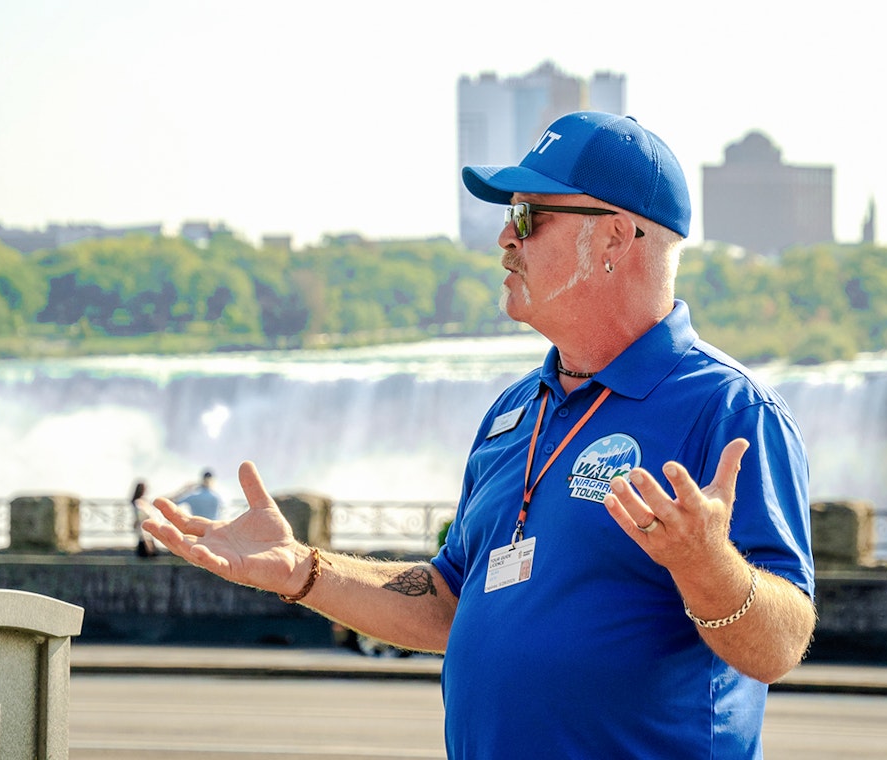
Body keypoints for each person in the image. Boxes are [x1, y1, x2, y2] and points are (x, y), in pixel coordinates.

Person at [144, 110, 816, 758]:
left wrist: (707, 565)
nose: (505, 238)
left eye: (527, 215)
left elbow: (780, 646)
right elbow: (448, 599)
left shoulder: (729, 409)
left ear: (615, 238)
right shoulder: (515, 410)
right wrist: (302, 571)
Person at [130, 480, 160, 557]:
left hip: (148, 528)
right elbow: (140, 516)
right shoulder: (138, 502)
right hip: (144, 528)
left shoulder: (144, 501)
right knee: (147, 551)